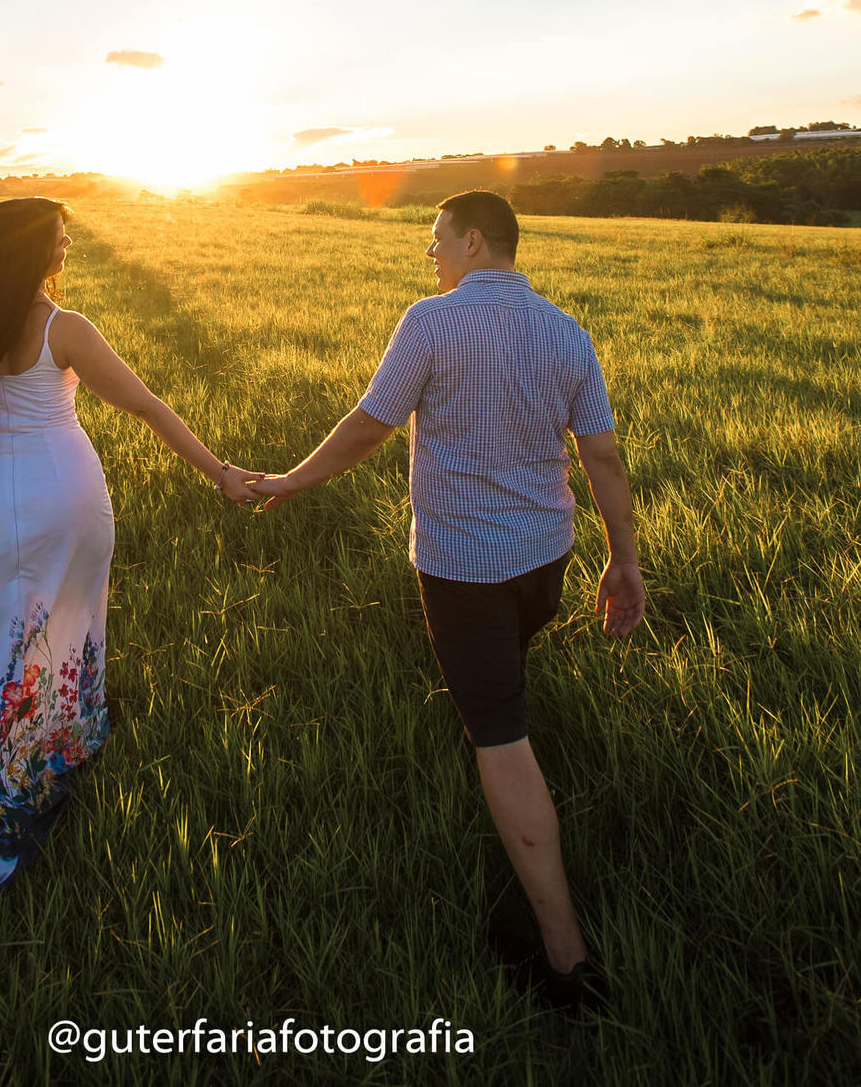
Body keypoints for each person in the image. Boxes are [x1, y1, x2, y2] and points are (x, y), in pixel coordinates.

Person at [260, 191, 645, 1009]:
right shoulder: (567, 331)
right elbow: (603, 456)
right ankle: (499, 700)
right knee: (503, 674)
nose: (430, 254)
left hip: (465, 570)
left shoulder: (431, 323)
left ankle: (567, 960)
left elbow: (370, 425)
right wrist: (624, 559)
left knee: (500, 734)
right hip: (547, 559)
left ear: (474, 240)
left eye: (436, 239)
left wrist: (293, 478)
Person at [0, 197, 264, 940]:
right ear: (31, 249)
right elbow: (145, 405)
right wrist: (219, 471)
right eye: (59, 238)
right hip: (66, 506)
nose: (67, 246)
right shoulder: (66, 328)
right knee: (64, 635)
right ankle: (50, 757)